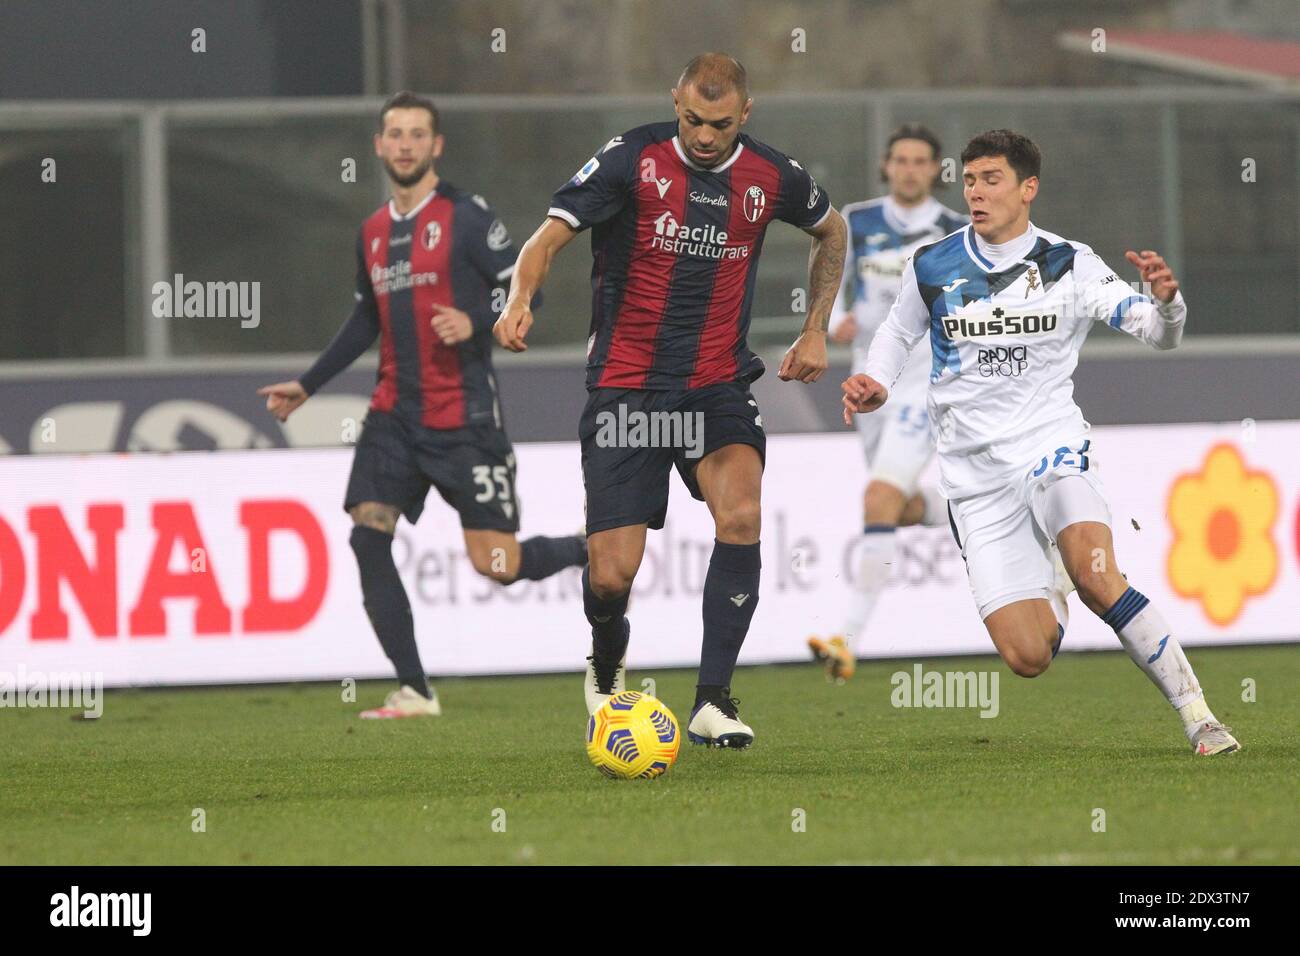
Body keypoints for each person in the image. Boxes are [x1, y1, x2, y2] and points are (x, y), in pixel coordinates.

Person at [843, 129, 1238, 755]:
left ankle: (1200, 716)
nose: (976, 192)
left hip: (1052, 448)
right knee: (1028, 657)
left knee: (1097, 573)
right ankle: (1051, 577)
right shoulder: (934, 264)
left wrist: (1167, 305)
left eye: (991, 179)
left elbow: (1155, 333)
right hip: (974, 477)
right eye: (969, 180)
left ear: (1028, 189)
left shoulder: (1069, 263)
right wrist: (876, 381)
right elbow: (895, 334)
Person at [494, 53, 846, 748]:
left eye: (719, 123)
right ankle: (604, 658)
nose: (704, 135)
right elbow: (547, 237)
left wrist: (815, 329)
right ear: (674, 102)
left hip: (715, 384)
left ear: (745, 114)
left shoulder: (773, 176)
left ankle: (713, 699)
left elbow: (832, 230)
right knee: (611, 573)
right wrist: (519, 299)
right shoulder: (632, 158)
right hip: (626, 388)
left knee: (741, 514)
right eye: (691, 119)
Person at [258, 92, 586, 718]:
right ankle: (415, 689)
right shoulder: (372, 233)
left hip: (465, 419)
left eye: (417, 134)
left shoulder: (466, 217)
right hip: (394, 416)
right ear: (379, 146)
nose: (405, 144)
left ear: (436, 146)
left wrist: (478, 317)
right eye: (394, 134)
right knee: (366, 536)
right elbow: (365, 318)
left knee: (498, 563)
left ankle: (583, 549)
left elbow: (527, 295)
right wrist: (309, 384)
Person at [808, 123, 967, 682]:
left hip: (924, 385)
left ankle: (846, 639)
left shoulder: (956, 231)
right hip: (867, 384)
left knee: (877, 498)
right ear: (886, 165)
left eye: (921, 161)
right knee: (895, 508)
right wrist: (829, 320)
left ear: (935, 170)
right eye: (900, 160)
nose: (909, 169)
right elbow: (831, 278)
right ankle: (995, 513)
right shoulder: (855, 219)